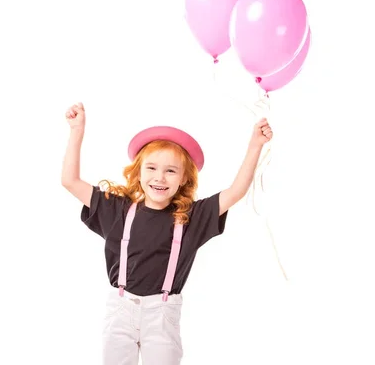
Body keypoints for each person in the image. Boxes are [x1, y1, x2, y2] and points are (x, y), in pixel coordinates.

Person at [61, 101, 273, 365]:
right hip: (120, 310)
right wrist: (77, 131)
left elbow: (235, 192)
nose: (160, 178)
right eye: (151, 168)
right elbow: (70, 181)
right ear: (138, 172)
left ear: (184, 178)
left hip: (162, 315)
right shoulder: (117, 210)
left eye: (171, 171)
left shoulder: (191, 217)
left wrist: (255, 145)